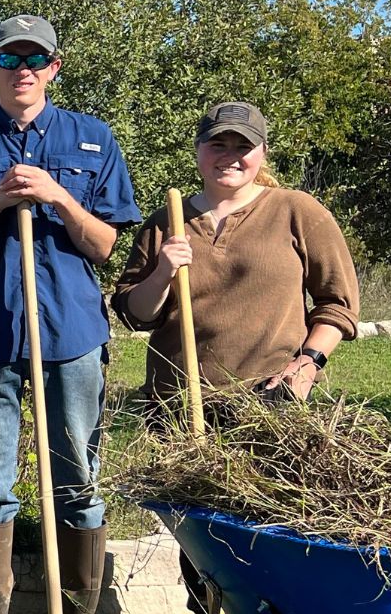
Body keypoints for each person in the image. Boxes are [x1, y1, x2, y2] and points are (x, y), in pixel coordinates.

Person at [0, 13, 141, 614]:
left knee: (77, 476)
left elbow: (106, 246)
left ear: (53, 68)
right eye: (9, 58)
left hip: (70, 332)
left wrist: (56, 196)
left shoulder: (91, 140)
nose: (22, 69)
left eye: (35, 59)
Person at [111, 101, 359, 407]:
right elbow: (136, 316)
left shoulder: (297, 211)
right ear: (198, 149)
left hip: (271, 399)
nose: (230, 156)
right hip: (178, 405)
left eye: (243, 146)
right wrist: (163, 273)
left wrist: (308, 364)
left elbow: (338, 305)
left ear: (263, 152)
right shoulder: (167, 222)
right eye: (217, 145)